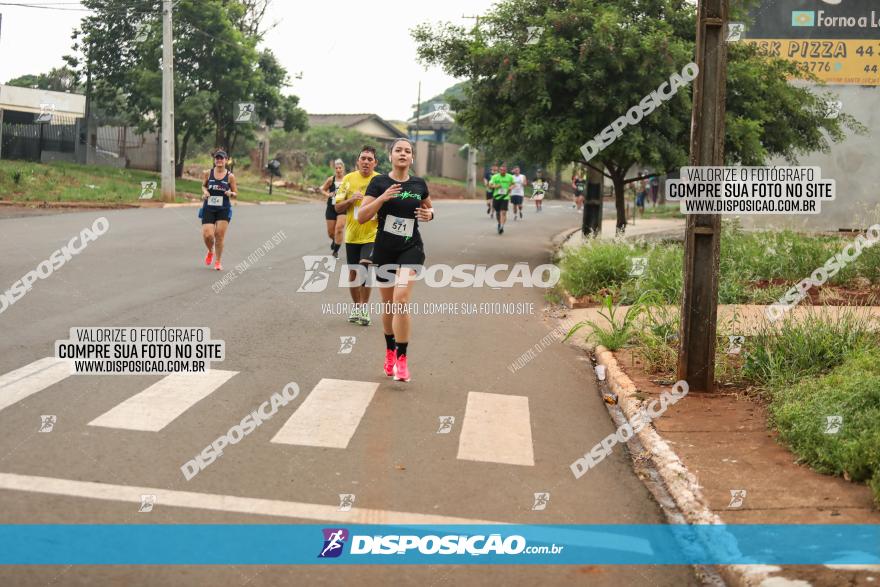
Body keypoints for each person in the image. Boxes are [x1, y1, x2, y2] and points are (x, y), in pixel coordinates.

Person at [357, 138, 434, 382]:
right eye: (398, 150)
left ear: (412, 158)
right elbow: (361, 216)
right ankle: (390, 350)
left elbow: (429, 209)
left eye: (407, 151)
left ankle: (402, 358)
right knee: (389, 305)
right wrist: (382, 199)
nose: (403, 154)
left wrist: (429, 214)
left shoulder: (419, 184)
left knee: (401, 299)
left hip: (411, 247)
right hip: (384, 250)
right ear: (391, 156)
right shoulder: (378, 183)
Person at [334, 146, 380, 325]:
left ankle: (364, 308)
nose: (366, 162)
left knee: (365, 269)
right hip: (352, 235)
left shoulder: (380, 180)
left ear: (375, 162)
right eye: (363, 158)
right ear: (357, 161)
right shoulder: (347, 179)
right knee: (353, 273)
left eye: (370, 159)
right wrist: (351, 200)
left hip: (373, 234)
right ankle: (357, 307)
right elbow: (337, 207)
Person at [200, 150, 237, 271]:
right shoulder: (208, 173)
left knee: (219, 235)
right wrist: (205, 192)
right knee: (208, 235)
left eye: (221, 158)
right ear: (215, 160)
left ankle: (218, 261)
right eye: (217, 158)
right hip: (209, 207)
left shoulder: (230, 176)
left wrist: (230, 193)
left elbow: (235, 193)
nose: (219, 160)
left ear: (226, 160)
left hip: (223, 208)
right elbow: (203, 186)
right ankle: (210, 251)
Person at [321, 159, 346, 258]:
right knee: (331, 233)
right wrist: (328, 194)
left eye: (340, 168)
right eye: (336, 168)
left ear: (343, 169)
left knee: (339, 229)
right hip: (331, 207)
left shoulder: (347, 180)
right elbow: (323, 189)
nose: (338, 170)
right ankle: (334, 241)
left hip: (342, 207)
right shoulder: (331, 179)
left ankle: (335, 251)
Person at [489, 164, 514, 234]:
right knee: (497, 213)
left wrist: (511, 187)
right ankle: (499, 223)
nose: (503, 171)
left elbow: (513, 184)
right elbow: (490, 185)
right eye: (502, 170)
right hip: (496, 197)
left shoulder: (510, 177)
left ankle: (502, 227)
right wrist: (495, 186)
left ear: (506, 171)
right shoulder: (495, 177)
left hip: (505, 197)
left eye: (504, 170)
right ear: (499, 170)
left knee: (503, 212)